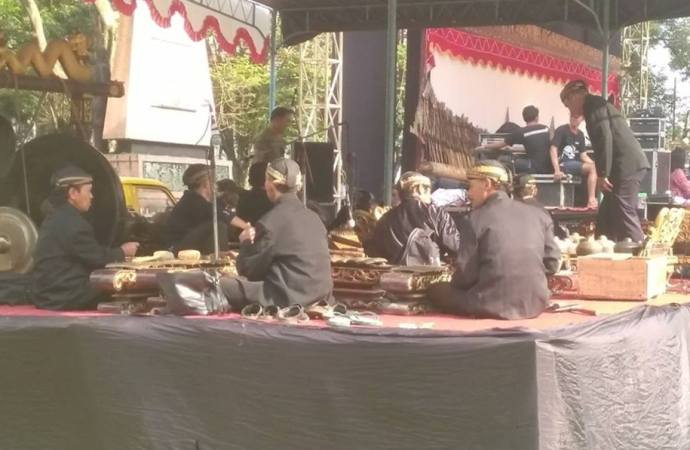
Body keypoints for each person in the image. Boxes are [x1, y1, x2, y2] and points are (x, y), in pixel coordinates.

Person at [429, 161, 560, 320]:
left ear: (487, 184)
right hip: (536, 302)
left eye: (470, 186)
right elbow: (552, 263)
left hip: (489, 303)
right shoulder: (539, 215)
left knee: (435, 290)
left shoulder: (474, 219)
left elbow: (465, 277)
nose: (469, 193)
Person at [219, 158, 333, 309]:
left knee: (221, 285)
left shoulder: (270, 222)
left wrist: (245, 243)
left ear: (270, 185)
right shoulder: (315, 219)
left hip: (286, 297)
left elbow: (248, 271)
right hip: (321, 295)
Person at [32, 166, 139, 310]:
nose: (92, 196)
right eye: (88, 191)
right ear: (73, 193)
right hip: (64, 295)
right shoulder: (74, 224)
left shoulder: (55, 218)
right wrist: (123, 251)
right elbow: (97, 258)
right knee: (127, 286)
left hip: (48, 293)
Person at [560, 79, 650, 242]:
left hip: (626, 165)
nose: (570, 111)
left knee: (624, 212)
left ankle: (640, 252)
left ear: (573, 96)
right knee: (606, 216)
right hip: (623, 165)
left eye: (568, 105)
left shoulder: (593, 105)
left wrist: (603, 173)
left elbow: (604, 138)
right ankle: (603, 247)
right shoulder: (594, 105)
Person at [365, 171, 460, 266]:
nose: (430, 196)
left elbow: (374, 252)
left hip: (393, 277)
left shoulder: (386, 219)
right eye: (429, 192)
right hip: (429, 277)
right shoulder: (437, 214)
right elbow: (456, 247)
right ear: (421, 190)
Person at [162, 164, 247, 254]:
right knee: (218, 226)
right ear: (206, 183)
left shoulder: (195, 200)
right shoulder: (193, 201)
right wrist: (249, 227)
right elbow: (224, 215)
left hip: (183, 244)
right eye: (213, 181)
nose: (216, 185)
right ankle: (222, 261)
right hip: (177, 247)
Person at [479, 105, 551, 174]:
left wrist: (485, 146)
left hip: (533, 166)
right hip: (548, 166)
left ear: (524, 118)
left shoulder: (522, 132)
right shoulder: (546, 128)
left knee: (503, 159)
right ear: (536, 117)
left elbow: (500, 145)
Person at [550, 115, 598, 208]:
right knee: (593, 168)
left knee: (596, 168)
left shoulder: (580, 134)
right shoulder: (562, 130)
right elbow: (553, 149)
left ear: (582, 119)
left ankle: (594, 200)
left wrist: (595, 165)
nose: (574, 119)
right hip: (563, 164)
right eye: (572, 116)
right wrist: (556, 170)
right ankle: (591, 200)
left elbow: (583, 156)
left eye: (576, 117)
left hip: (574, 164)